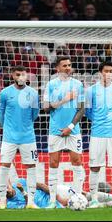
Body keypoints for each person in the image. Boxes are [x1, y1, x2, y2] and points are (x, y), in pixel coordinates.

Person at [43, 56, 85, 209]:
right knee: (53, 163)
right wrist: (64, 100)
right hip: (55, 131)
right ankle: (53, 201)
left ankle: (79, 198)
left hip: (73, 131)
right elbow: (46, 107)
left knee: (77, 162)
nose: (68, 67)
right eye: (65, 65)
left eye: (69, 65)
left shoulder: (78, 84)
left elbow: (82, 109)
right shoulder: (51, 84)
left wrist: (71, 126)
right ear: (58, 68)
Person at [0, 65, 40, 209]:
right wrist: (8, 129)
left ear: (27, 76)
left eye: (23, 74)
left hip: (28, 137)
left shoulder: (33, 93)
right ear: (13, 76)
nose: (20, 77)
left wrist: (24, 126)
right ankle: (3, 200)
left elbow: (35, 115)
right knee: (4, 166)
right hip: (9, 138)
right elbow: (0, 115)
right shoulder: (5, 93)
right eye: (17, 74)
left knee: (31, 167)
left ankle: (31, 201)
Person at [85, 61, 112, 208]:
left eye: (110, 71)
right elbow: (88, 112)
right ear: (100, 73)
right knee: (95, 167)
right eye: (105, 71)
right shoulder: (91, 91)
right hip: (97, 134)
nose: (108, 74)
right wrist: (99, 121)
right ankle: (94, 200)